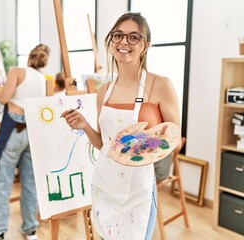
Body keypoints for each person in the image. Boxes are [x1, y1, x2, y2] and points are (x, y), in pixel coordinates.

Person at [62, 12, 180, 240]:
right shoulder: (103, 92)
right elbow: (104, 146)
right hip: (106, 185)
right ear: (111, 42)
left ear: (145, 46)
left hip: (139, 190)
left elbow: (173, 142)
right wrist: (85, 125)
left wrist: (141, 145)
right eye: (118, 36)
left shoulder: (160, 85)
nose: (124, 42)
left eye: (133, 37)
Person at [0, 44, 50, 240]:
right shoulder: (44, 80)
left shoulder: (17, 72)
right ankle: (30, 229)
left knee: (3, 182)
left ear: (30, 56)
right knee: (29, 183)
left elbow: (3, 98)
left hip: (14, 129)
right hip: (32, 131)